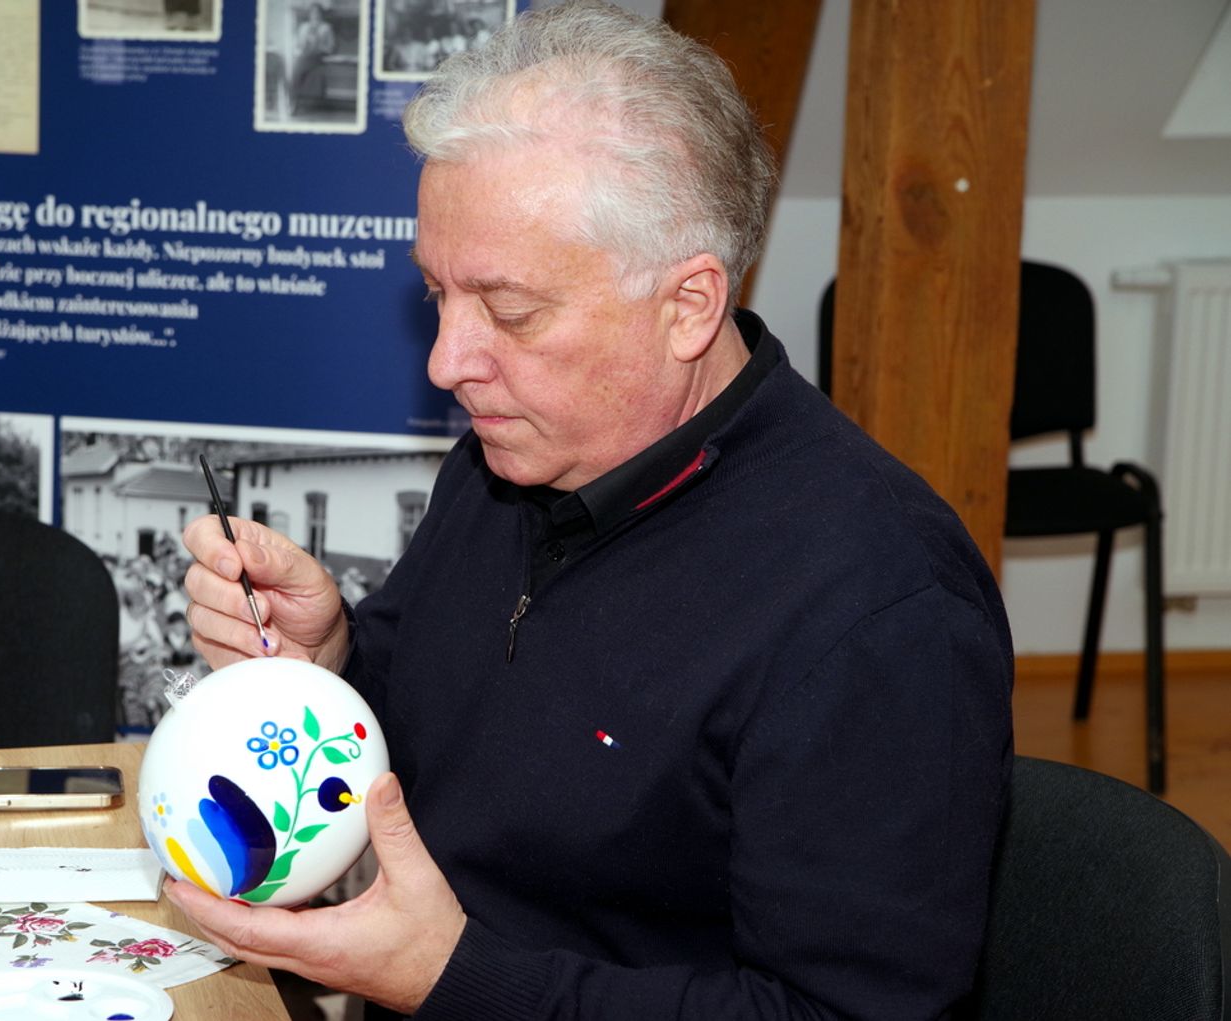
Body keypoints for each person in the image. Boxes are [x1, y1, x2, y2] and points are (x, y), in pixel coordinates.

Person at [174, 1, 1013, 1018]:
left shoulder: (877, 606)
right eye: (436, 294)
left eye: (510, 311)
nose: (447, 361)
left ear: (689, 306)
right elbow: (441, 715)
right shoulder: (510, 457)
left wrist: (457, 977)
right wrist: (332, 654)